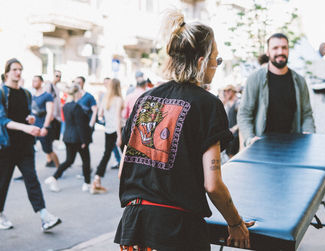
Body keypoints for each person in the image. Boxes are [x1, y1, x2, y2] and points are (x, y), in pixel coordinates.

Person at [114, 9, 253, 250]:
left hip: (134, 228)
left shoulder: (145, 100)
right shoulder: (208, 104)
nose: (216, 66)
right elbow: (213, 184)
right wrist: (235, 223)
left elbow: (123, 172)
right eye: (216, 60)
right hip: (178, 232)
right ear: (201, 62)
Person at [0, 58, 61, 231]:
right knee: (3, 182)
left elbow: (26, 114)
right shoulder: (2, 93)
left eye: (20, 69)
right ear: (7, 73)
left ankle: (44, 216)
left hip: (25, 146)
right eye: (14, 69)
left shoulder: (26, 93)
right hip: (6, 146)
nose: (18, 72)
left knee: (32, 180)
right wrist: (26, 127)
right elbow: (3, 120)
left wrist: (30, 119)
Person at [237, 33, 316, 147]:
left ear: (288, 50)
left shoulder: (299, 81)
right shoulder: (254, 79)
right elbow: (244, 114)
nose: (280, 52)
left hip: (294, 147)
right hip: (262, 148)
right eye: (275, 48)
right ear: (268, 52)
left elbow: (307, 114)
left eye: (284, 48)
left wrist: (308, 134)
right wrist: (250, 138)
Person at [44, 82, 92, 193]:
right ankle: (87, 183)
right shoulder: (78, 107)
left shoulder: (65, 106)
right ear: (77, 94)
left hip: (68, 137)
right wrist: (84, 140)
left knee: (69, 160)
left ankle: (54, 177)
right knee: (86, 161)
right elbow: (80, 125)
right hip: (78, 138)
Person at [91, 78, 123, 194]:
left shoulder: (105, 99)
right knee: (126, 154)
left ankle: (97, 179)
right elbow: (118, 118)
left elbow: (100, 114)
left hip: (108, 130)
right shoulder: (118, 99)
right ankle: (128, 181)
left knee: (106, 154)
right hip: (118, 129)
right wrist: (119, 135)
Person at [31, 75, 60, 170]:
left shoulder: (47, 96)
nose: (34, 82)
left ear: (41, 82)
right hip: (33, 128)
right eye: (33, 81)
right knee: (29, 150)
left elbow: (50, 112)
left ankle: (59, 169)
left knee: (48, 150)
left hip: (43, 127)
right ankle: (28, 172)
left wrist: (45, 127)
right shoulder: (32, 96)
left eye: (36, 81)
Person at [44, 70, 63, 167]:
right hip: (51, 117)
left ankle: (49, 160)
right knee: (48, 140)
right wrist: (49, 115)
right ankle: (51, 161)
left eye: (60, 76)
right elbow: (46, 101)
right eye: (56, 76)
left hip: (56, 117)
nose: (58, 78)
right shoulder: (48, 86)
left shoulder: (57, 88)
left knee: (51, 139)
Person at [223, 84, 240, 158]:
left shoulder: (238, 103)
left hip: (236, 135)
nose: (226, 93)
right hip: (228, 134)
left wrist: (235, 128)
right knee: (229, 154)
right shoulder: (226, 103)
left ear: (233, 91)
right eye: (225, 91)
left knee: (235, 155)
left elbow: (243, 119)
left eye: (228, 90)